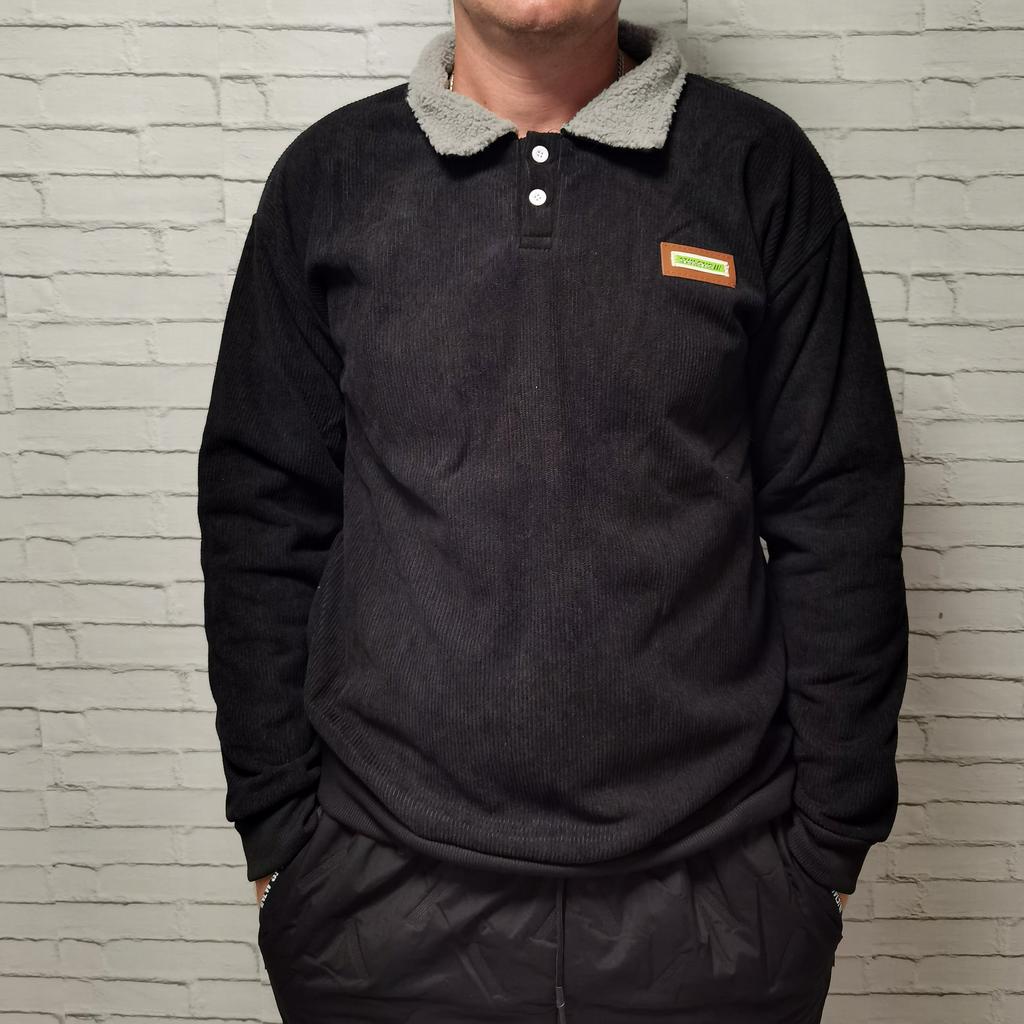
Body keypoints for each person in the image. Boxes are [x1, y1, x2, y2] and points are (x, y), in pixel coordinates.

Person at [197, 1, 909, 1020]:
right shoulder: (333, 176)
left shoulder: (755, 166)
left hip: (717, 898)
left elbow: (836, 507)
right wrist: (281, 836)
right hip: (378, 899)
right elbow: (261, 512)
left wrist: (824, 852)